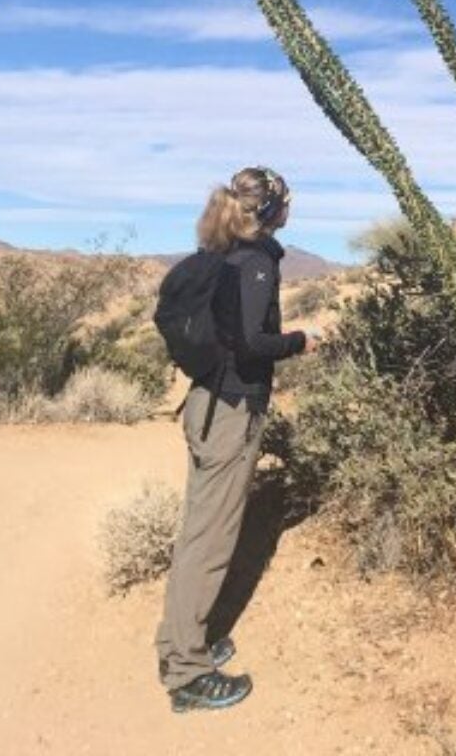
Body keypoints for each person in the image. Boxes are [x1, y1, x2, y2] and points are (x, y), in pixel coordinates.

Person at [155, 166, 318, 714]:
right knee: (211, 541)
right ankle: (187, 674)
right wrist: (301, 340)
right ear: (272, 211)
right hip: (228, 412)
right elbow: (252, 345)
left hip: (206, 403)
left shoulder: (225, 255)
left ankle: (178, 642)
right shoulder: (254, 264)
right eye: (287, 203)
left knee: (198, 531)